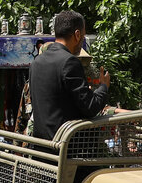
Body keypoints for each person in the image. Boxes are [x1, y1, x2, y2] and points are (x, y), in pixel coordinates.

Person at [29, 9, 110, 140]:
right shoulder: (70, 62)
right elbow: (90, 107)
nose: (82, 41)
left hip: (42, 146)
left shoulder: (36, 62)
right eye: (83, 37)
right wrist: (103, 87)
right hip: (66, 149)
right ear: (77, 34)